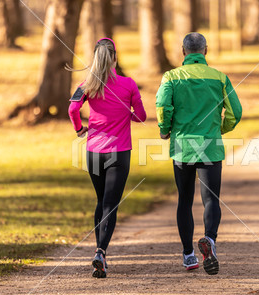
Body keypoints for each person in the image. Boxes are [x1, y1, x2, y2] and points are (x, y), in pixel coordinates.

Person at [155, 33, 242, 275]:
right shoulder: (219, 77)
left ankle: (188, 255)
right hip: (210, 146)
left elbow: (163, 106)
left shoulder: (171, 77)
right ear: (206, 51)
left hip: (182, 146)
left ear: (183, 51)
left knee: (184, 200)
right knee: (211, 199)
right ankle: (210, 240)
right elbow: (236, 111)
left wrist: (165, 130)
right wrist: (220, 129)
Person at [68, 38, 146, 278]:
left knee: (101, 201)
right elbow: (141, 116)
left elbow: (72, 109)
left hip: (93, 152)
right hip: (118, 152)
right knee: (111, 205)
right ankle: (101, 251)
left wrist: (79, 129)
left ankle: (98, 251)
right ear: (114, 58)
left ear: (95, 57)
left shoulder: (86, 84)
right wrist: (126, 117)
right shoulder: (128, 84)